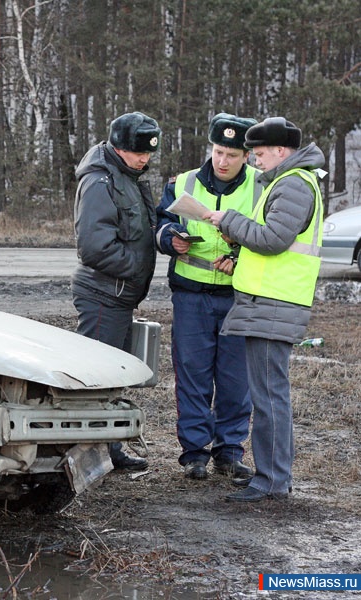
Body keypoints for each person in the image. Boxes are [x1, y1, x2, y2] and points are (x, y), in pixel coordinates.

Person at [204, 117, 325, 502]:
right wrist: (238, 243)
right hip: (267, 302)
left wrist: (230, 221)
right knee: (268, 394)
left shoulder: (292, 183)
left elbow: (273, 240)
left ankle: (272, 480)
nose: (254, 161)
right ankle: (271, 473)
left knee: (270, 397)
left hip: (275, 304)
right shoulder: (285, 182)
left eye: (257, 154)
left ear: (281, 151)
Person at [156, 113, 259, 481]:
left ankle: (229, 452)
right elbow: (161, 223)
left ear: (246, 155)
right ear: (210, 149)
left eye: (232, 154)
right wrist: (170, 238)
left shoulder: (261, 188)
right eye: (218, 151)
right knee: (192, 375)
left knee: (235, 379)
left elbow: (269, 238)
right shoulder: (183, 183)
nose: (223, 160)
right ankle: (195, 453)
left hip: (238, 297)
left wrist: (239, 258)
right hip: (191, 296)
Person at [72, 111, 160, 470]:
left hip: (120, 295)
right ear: (117, 146)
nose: (145, 159)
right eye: (138, 152)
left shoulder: (130, 177)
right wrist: (139, 266)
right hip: (103, 294)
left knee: (112, 379)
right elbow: (93, 247)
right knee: (94, 380)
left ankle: (108, 450)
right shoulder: (99, 181)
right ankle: (85, 455)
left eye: (149, 152)